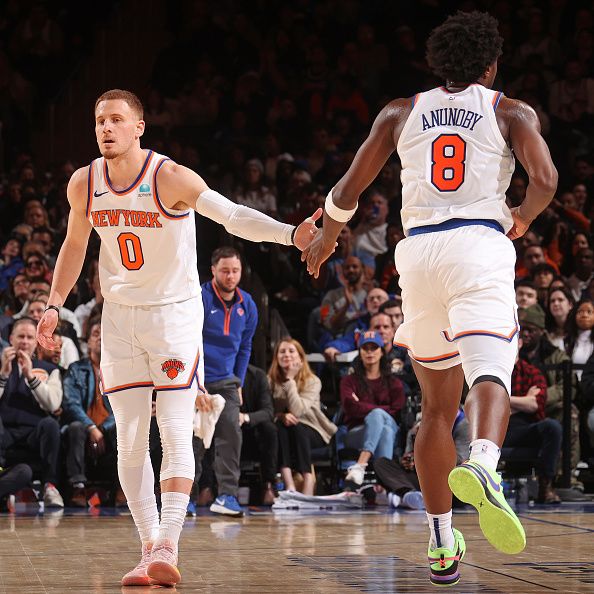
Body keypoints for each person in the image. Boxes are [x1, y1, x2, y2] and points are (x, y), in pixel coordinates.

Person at [302, 11, 558, 586]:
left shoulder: (400, 111)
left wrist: (325, 234)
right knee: (491, 368)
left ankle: (442, 541)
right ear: (491, 65)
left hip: (416, 253)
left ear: (436, 64)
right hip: (478, 242)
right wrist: (522, 218)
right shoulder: (509, 110)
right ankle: (486, 467)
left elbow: (348, 189)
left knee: (435, 408)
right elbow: (545, 180)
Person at [35, 89, 321, 587]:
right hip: (120, 315)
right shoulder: (84, 183)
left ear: (139, 127)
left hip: (173, 316)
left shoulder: (169, 177)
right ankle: (148, 547)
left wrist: (288, 234)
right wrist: (53, 304)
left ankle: (170, 540)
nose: (105, 128)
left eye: (116, 120)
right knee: (127, 437)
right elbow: (74, 244)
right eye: (99, 120)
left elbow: (231, 215)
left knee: (171, 427)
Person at [195, 246, 258, 518]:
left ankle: (227, 496)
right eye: (225, 271)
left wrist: (239, 382)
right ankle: (185, 499)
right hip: (197, 380)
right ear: (213, 271)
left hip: (228, 381)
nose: (230, 276)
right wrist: (195, 382)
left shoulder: (249, 304)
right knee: (193, 437)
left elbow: (245, 347)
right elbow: (188, 342)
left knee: (231, 434)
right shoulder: (199, 297)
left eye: (235, 271)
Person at [0, 318, 64, 508]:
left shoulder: (49, 369)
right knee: (23, 472)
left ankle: (50, 486)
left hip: (33, 435)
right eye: (21, 336)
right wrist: (3, 374)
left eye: (29, 337)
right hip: (4, 434)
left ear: (36, 342)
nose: (25, 342)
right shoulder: (0, 366)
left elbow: (53, 404)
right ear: (11, 339)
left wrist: (30, 376)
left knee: (51, 424)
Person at [61, 318, 121, 507]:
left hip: (108, 433)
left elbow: (122, 407)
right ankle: (78, 487)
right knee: (76, 427)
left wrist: (102, 428)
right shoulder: (76, 369)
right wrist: (91, 427)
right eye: (96, 334)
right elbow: (70, 403)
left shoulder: (119, 372)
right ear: (87, 342)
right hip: (83, 433)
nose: (101, 339)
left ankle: (122, 488)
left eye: (106, 335)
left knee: (123, 428)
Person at [269, 338, 337, 496]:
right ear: (276, 357)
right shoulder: (270, 382)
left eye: (291, 351)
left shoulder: (313, 381)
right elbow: (269, 411)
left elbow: (298, 411)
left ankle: (308, 479)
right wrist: (280, 415)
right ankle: (289, 484)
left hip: (313, 429)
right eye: (282, 351)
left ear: (300, 357)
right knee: (280, 427)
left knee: (296, 426)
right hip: (284, 429)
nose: (287, 355)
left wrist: (290, 381)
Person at [339, 330, 405, 487]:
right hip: (356, 432)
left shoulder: (393, 382)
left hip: (390, 426)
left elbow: (396, 410)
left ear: (382, 352)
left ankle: (360, 466)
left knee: (382, 422)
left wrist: (364, 407)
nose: (369, 352)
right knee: (384, 428)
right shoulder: (348, 381)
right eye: (365, 348)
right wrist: (381, 410)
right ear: (359, 352)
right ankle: (385, 487)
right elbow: (350, 408)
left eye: (374, 348)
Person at [240, 364, 277, 505]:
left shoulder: (258, 375)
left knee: (269, 429)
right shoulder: (218, 373)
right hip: (223, 431)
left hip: (250, 433)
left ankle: (269, 485)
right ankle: (206, 488)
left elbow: (268, 411)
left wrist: (245, 417)